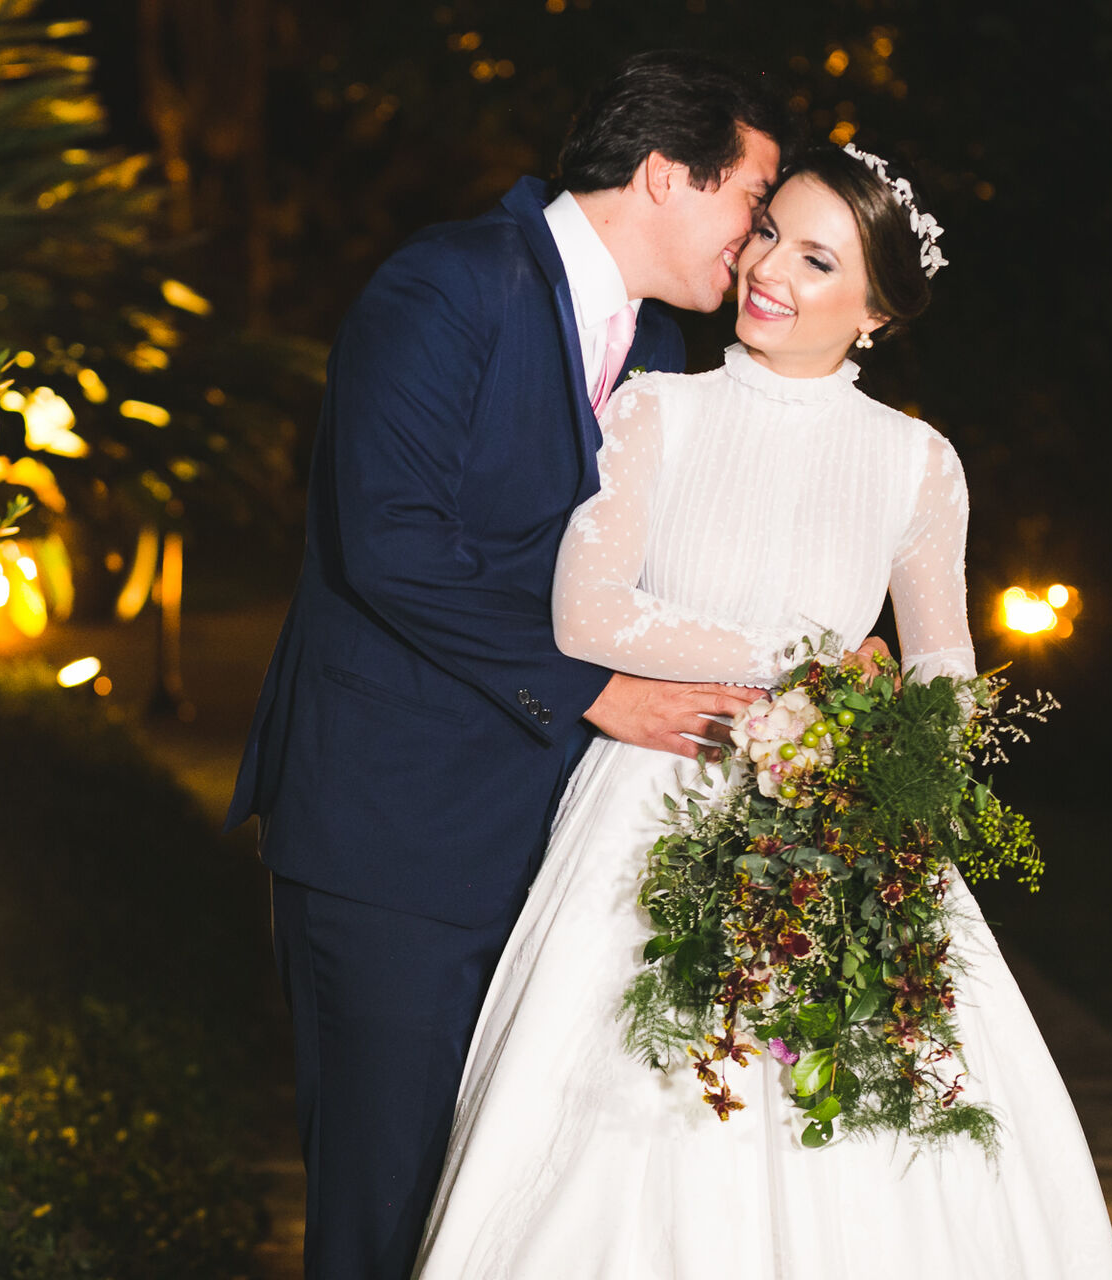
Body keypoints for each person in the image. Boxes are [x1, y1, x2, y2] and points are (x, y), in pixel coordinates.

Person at [412, 144, 1112, 1278]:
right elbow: (589, 612)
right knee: (638, 1121)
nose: (767, 267)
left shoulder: (917, 462)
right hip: (654, 805)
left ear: (877, 310)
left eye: (815, 255)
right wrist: (812, 666)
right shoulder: (658, 409)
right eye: (767, 233)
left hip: (846, 824)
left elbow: (942, 670)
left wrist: (881, 754)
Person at [224, 52, 791, 1278]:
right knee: (385, 1217)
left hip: (554, 859)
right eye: (753, 199)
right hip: (394, 842)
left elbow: (663, 577)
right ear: (662, 173)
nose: (757, 244)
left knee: (499, 1223)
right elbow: (390, 540)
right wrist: (598, 690)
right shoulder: (446, 284)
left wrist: (805, 642)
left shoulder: (668, 358)